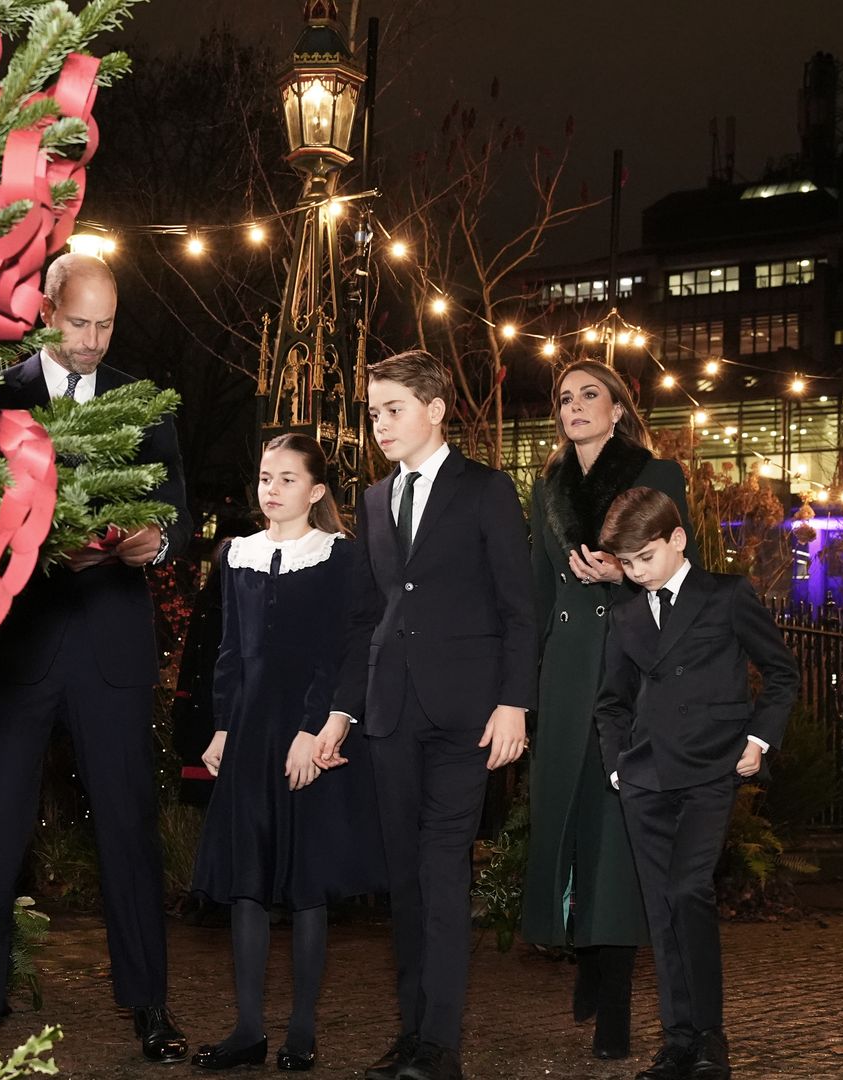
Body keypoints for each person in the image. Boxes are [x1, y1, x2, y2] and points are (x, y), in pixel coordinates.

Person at [0, 253, 192, 1065]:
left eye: (107, 324)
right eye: (80, 322)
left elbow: (177, 517)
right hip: (18, 649)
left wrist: (156, 544)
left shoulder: (144, 402)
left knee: (129, 832)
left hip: (112, 652)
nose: (93, 340)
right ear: (48, 310)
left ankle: (150, 1007)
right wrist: (38, 551)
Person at [323, 350, 539, 1080]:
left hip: (466, 714)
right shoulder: (375, 501)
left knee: (443, 870)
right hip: (390, 712)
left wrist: (515, 703)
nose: (379, 423)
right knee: (405, 879)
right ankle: (412, 1034)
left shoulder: (486, 490)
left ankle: (440, 1046)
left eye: (392, 409)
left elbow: (519, 607)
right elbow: (368, 620)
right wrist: (341, 714)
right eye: (374, 411)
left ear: (435, 408)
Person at [517, 360, 698, 1060]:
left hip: (632, 665)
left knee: (617, 833)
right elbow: (536, 593)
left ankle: (616, 1006)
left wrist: (627, 571)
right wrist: (521, 695)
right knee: (566, 822)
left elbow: (686, 574)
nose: (575, 406)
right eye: (565, 398)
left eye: (590, 394)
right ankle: (588, 963)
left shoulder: (658, 477)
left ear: (619, 408)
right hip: (565, 674)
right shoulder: (548, 490)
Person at [187, 433, 383, 1073]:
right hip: (247, 733)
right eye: (266, 477)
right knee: (246, 885)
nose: (272, 489)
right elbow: (229, 653)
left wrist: (314, 729)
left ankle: (301, 1030)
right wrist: (220, 728)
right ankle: (247, 1028)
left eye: (287, 479)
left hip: (304, 737)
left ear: (316, 490)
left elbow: (337, 652)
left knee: (305, 886)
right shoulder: (236, 554)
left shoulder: (339, 557)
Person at [593, 487, 798, 1080]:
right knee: (660, 908)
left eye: (645, 560)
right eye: (626, 565)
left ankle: (711, 1037)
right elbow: (611, 703)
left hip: (712, 770)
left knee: (688, 892)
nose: (636, 574)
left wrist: (758, 742)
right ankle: (677, 1039)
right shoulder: (627, 613)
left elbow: (781, 673)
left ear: (677, 540)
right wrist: (616, 766)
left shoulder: (727, 596)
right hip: (644, 778)